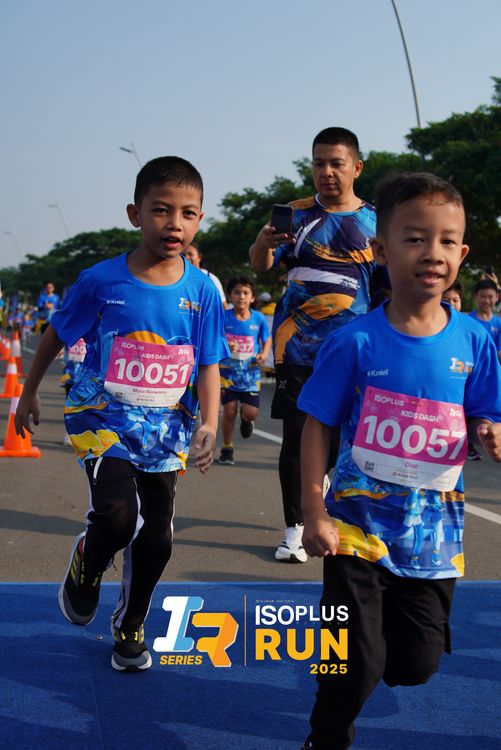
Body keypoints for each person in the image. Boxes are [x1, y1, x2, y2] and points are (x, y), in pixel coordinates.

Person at [297, 172, 501, 750]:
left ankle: (365, 656)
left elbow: (486, 409)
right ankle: (326, 733)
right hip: (356, 528)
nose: (432, 253)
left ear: (461, 255)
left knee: (415, 664)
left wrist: (489, 430)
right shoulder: (355, 341)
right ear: (382, 251)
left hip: (433, 534)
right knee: (355, 663)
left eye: (446, 241)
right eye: (414, 238)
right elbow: (318, 423)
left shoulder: (474, 341)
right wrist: (313, 510)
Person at [15, 156, 229, 672]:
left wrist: (208, 422)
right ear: (135, 214)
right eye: (161, 210)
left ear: (200, 219)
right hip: (103, 418)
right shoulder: (101, 280)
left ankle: (131, 623)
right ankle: (88, 564)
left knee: (157, 537)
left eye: (188, 213)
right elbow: (56, 333)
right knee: (116, 516)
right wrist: (28, 392)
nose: (174, 223)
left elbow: (208, 362)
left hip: (165, 430)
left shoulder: (203, 290)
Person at [249, 127, 377, 563]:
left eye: (336, 163)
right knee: (298, 435)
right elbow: (261, 265)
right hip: (297, 347)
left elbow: (385, 286)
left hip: (355, 350)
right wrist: (262, 243)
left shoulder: (376, 222)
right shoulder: (296, 214)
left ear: (356, 167)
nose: (326, 172)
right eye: (319, 163)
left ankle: (322, 487)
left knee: (342, 437)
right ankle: (295, 528)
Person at [218, 276, 271, 465]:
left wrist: (264, 354)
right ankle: (227, 448)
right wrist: (225, 345)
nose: (241, 296)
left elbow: (266, 339)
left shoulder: (259, 318)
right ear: (230, 296)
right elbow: (215, 337)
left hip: (250, 373)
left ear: (252, 297)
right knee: (229, 411)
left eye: (246, 293)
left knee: (251, 413)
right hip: (228, 373)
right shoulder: (223, 317)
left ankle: (247, 420)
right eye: (237, 292)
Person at [183, 242, 227, 307]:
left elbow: (223, 305)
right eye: (183, 255)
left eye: (190, 254)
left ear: (199, 257)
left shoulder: (211, 278)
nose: (186, 257)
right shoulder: (176, 278)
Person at [469, 278, 501, 362]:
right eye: (483, 296)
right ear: (476, 296)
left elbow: (499, 351)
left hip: (493, 368)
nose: (487, 301)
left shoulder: (499, 324)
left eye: (490, 297)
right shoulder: (468, 321)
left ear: (497, 297)